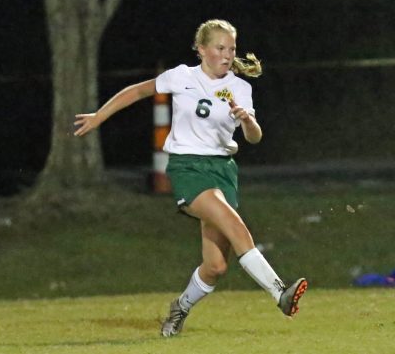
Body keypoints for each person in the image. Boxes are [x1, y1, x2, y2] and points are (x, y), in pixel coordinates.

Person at [74, 19, 308, 337]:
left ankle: (179, 308)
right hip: (188, 169)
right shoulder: (182, 76)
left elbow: (254, 137)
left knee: (215, 267)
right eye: (219, 48)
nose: (227, 55)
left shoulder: (241, 87)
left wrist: (247, 120)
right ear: (201, 50)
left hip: (223, 171)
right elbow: (138, 91)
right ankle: (279, 292)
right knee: (237, 227)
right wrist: (99, 115)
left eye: (232, 49)